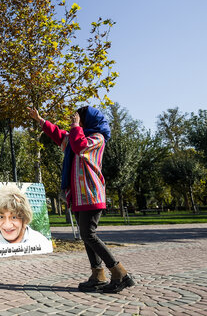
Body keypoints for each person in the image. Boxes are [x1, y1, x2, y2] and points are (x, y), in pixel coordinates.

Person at [28, 106, 135, 293]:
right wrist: (40, 120)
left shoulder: (97, 138)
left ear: (88, 121)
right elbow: (61, 136)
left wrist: (76, 126)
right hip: (78, 196)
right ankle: (98, 275)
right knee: (86, 237)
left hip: (91, 195)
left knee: (89, 235)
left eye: (80, 118)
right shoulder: (78, 136)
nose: (76, 121)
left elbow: (80, 147)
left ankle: (120, 274)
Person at [0, 184, 52, 258]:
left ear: (24, 219)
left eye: (14, 217)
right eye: (1, 217)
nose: (7, 225)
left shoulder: (41, 242)